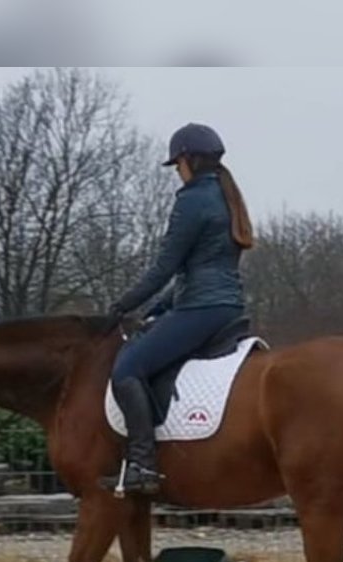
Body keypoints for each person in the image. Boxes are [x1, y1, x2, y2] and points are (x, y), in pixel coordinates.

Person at [107, 122, 255, 496]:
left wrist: (122, 305)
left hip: (202, 308)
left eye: (177, 165)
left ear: (189, 160)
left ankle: (142, 465)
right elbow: (199, 270)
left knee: (127, 369)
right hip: (225, 306)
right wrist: (157, 308)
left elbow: (165, 267)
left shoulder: (192, 200)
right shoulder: (225, 196)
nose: (177, 172)